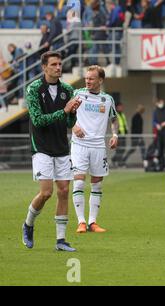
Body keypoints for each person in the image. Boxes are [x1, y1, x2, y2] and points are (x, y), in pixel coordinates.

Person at [21, 51, 81, 252]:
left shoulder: (67, 89)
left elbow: (70, 123)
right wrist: (63, 111)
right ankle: (28, 224)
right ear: (44, 67)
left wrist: (73, 113)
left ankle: (61, 240)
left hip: (61, 147)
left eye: (60, 63)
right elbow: (37, 121)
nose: (58, 67)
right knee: (46, 192)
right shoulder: (34, 89)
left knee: (64, 191)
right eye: (54, 64)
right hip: (42, 147)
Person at [71, 65, 118, 233]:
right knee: (79, 180)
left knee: (97, 184)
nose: (87, 81)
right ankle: (81, 222)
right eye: (86, 78)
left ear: (100, 80)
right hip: (79, 144)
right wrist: (73, 126)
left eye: (91, 78)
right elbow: (66, 113)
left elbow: (114, 119)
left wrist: (115, 135)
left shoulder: (107, 99)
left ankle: (92, 222)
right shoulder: (78, 94)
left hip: (98, 146)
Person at [112, 101, 128, 167]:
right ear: (117, 107)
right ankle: (118, 162)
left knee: (122, 149)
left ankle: (115, 160)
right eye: (120, 106)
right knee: (119, 149)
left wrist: (126, 130)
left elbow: (124, 123)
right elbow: (114, 123)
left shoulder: (122, 114)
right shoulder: (116, 114)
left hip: (123, 134)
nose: (122, 108)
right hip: (118, 135)